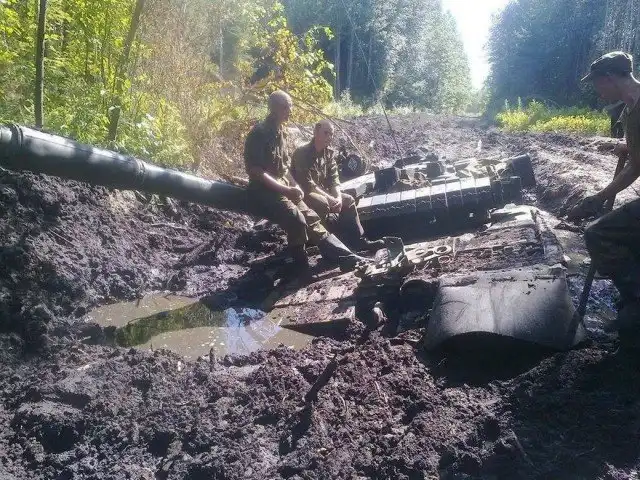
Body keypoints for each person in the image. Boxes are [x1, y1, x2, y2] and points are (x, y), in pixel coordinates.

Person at [243, 90, 366, 274]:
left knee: (311, 217)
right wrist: (286, 190)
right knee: (297, 220)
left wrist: (293, 185)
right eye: (285, 107)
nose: (290, 111)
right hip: (263, 190)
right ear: (273, 108)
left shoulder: (281, 132)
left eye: (290, 106)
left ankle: (345, 256)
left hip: (282, 186)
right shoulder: (259, 133)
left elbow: (284, 168)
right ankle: (301, 268)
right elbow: (256, 172)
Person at [569, 51, 640, 349]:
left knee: (597, 233)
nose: (598, 91)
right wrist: (628, 146)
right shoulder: (629, 110)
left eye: (597, 83)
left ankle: (636, 297)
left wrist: (598, 197)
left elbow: (636, 168)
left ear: (610, 77)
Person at [292, 119, 384, 252]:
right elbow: (307, 184)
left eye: (331, 134)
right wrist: (330, 199)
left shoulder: (329, 154)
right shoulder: (302, 153)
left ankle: (359, 240)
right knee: (322, 203)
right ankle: (322, 243)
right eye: (326, 133)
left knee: (349, 201)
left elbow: (333, 180)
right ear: (315, 132)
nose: (329, 137)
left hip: (320, 191)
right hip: (302, 194)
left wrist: (338, 198)